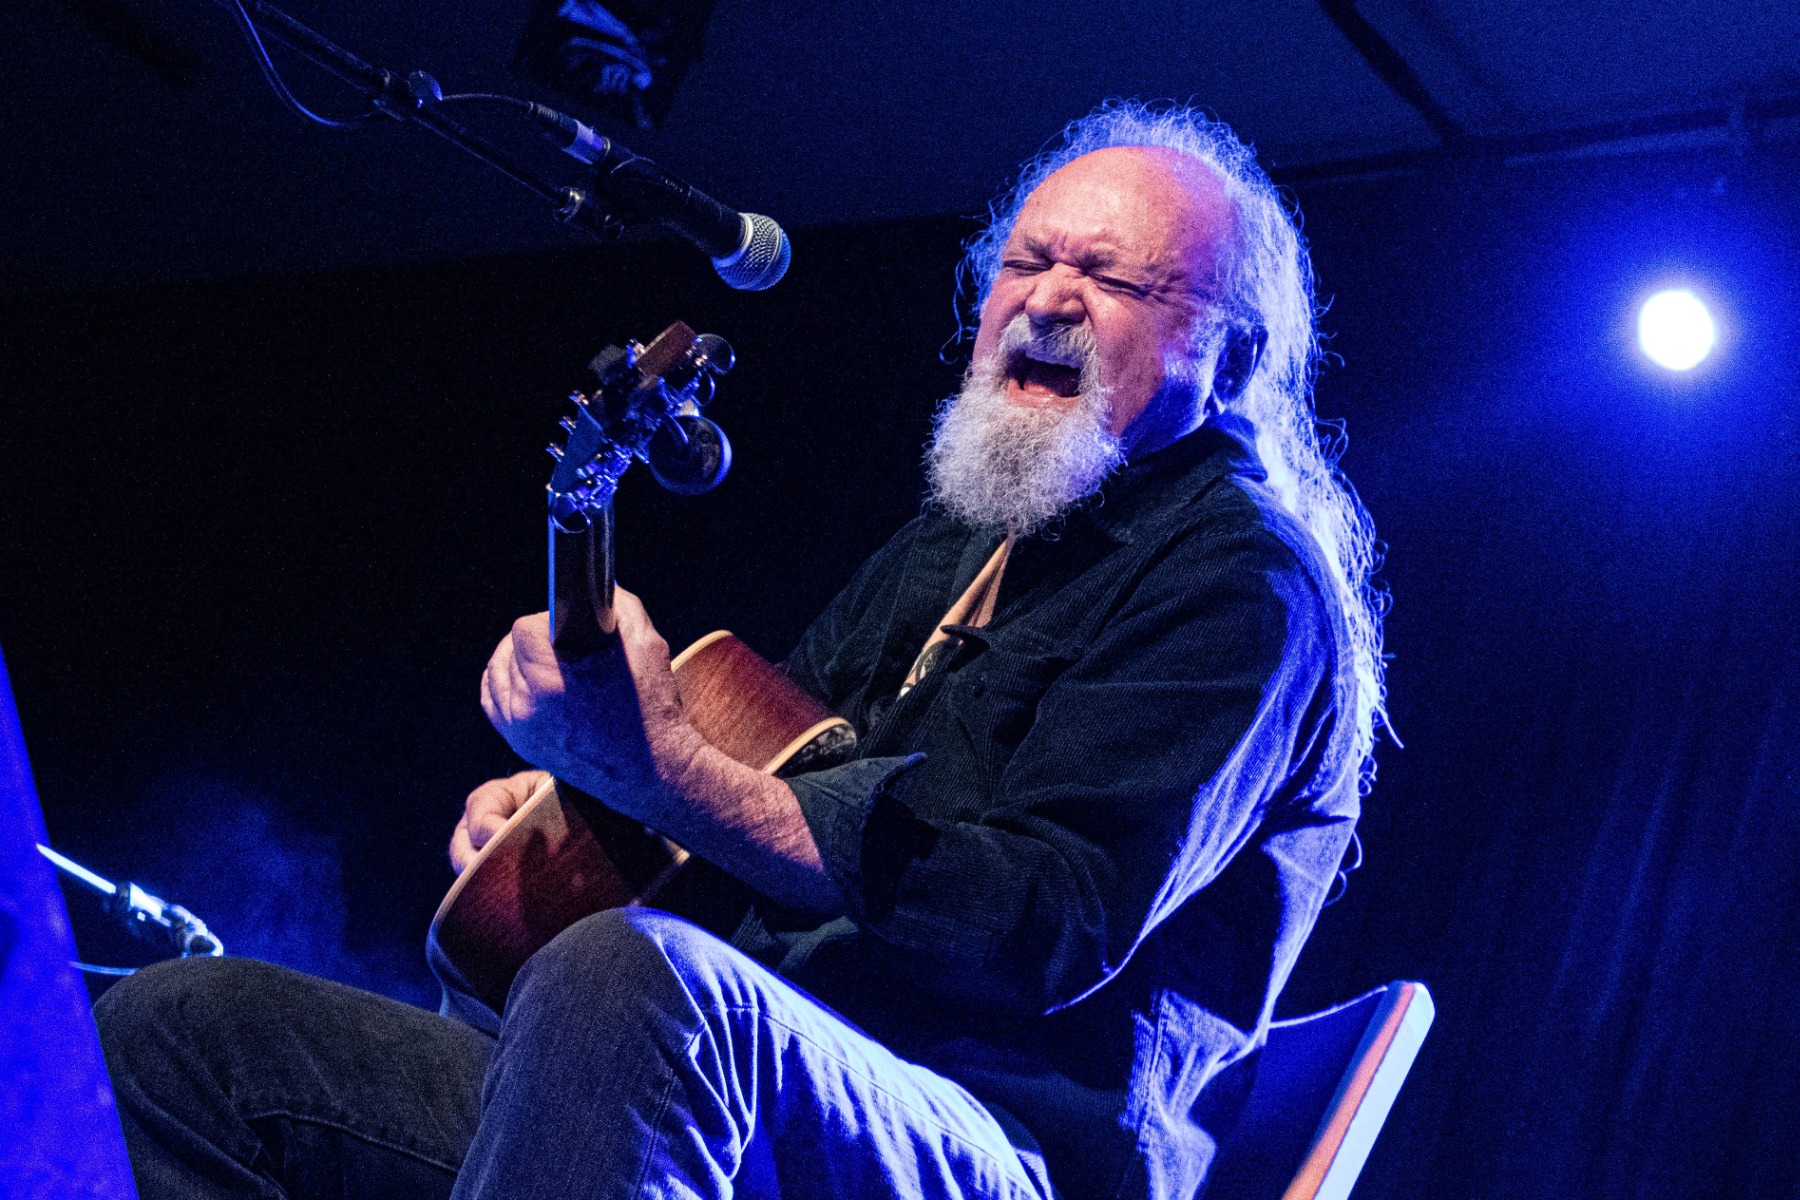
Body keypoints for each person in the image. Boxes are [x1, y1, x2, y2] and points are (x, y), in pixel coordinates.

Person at [95, 99, 1385, 1200]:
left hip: (997, 1141)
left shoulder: (1246, 583)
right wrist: (578, 798)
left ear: (1232, 353)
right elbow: (744, 780)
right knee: (184, 1029)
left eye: (1111, 279)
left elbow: (1036, 924)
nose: (1046, 299)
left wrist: (657, 771)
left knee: (632, 977)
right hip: (719, 1071)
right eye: (1025, 261)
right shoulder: (963, 535)